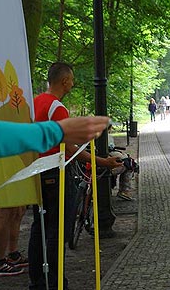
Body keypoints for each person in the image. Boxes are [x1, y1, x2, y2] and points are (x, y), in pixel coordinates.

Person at [0, 116, 111, 278]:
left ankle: (12, 254)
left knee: (18, 210)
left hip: (21, 163)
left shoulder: (24, 108)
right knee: (6, 211)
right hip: (8, 163)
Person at [28, 62, 121, 290]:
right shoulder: (58, 108)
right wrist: (104, 162)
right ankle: (57, 281)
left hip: (37, 171)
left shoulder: (36, 102)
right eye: (71, 79)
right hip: (56, 172)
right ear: (64, 81)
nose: (73, 83)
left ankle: (38, 280)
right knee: (57, 229)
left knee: (38, 226)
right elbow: (68, 150)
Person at [107, 123, 134, 201]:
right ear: (110, 128)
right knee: (129, 165)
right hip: (105, 166)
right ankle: (124, 190)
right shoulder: (108, 137)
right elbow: (111, 149)